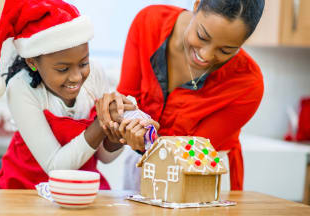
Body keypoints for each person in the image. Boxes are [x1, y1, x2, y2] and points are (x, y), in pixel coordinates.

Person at [98, 0, 265, 190]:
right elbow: (127, 100)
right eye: (202, 36)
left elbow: (192, 153)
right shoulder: (150, 22)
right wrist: (122, 117)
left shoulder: (247, 83)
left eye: (226, 50)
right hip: (142, 166)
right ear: (196, 6)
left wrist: (145, 138)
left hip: (202, 177)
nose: (207, 56)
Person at [0, 0, 135, 189]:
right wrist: (100, 124)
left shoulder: (95, 74)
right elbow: (55, 166)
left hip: (78, 187)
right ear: (32, 62)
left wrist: (116, 129)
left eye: (83, 63)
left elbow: (104, 156)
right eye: (62, 69)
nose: (76, 77)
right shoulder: (21, 88)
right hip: (27, 189)